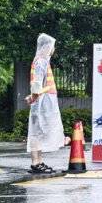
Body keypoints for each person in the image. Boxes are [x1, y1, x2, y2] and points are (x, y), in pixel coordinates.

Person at [25, 33, 67, 173]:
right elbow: (37, 84)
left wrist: (33, 96)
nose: (53, 49)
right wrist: (33, 97)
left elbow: (38, 84)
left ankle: (39, 162)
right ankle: (36, 163)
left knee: (39, 132)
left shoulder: (42, 61)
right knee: (37, 132)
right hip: (42, 103)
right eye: (52, 46)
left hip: (43, 101)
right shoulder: (41, 61)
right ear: (45, 47)